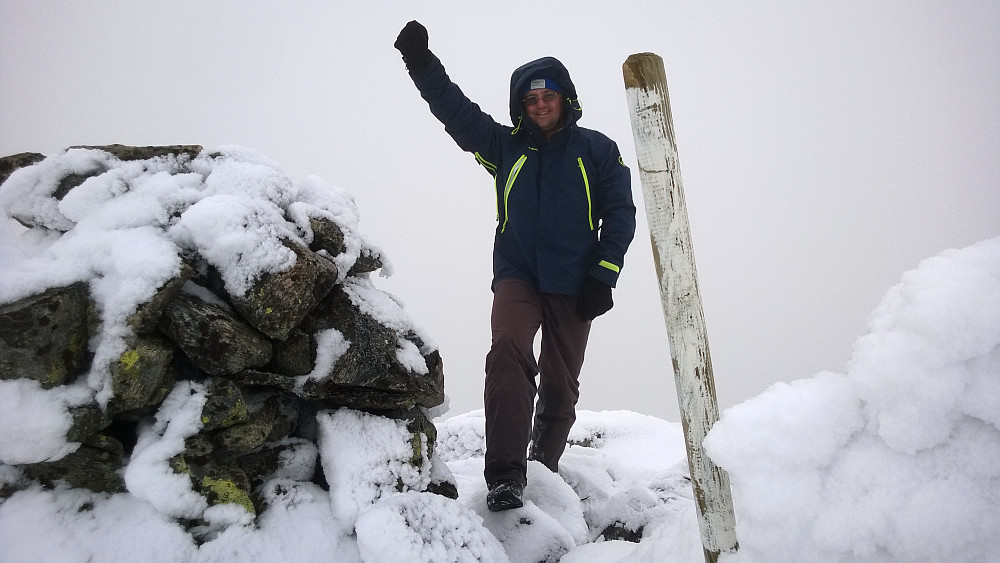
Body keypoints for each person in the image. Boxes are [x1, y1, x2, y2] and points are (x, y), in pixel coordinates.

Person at [394, 20, 636, 512]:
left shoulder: (597, 149)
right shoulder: (506, 148)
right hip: (518, 273)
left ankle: (543, 465)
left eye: (548, 95)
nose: (540, 104)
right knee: (507, 348)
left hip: (577, 281)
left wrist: (603, 273)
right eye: (530, 99)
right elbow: (456, 112)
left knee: (561, 384)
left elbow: (621, 213)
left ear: (565, 99)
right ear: (520, 107)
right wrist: (421, 64)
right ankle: (505, 474)